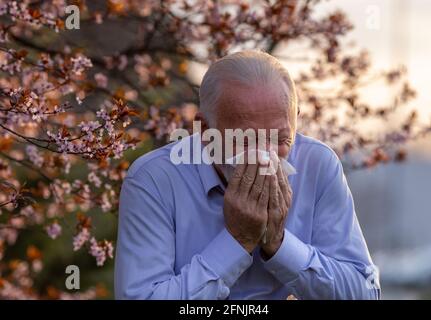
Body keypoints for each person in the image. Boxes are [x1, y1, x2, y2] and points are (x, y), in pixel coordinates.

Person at [114, 50, 380, 299]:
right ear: (205, 130)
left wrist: (278, 244)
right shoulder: (155, 179)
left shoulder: (318, 165)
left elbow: (364, 291)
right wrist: (237, 241)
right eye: (245, 140)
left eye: (279, 138)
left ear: (295, 120)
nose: (264, 157)